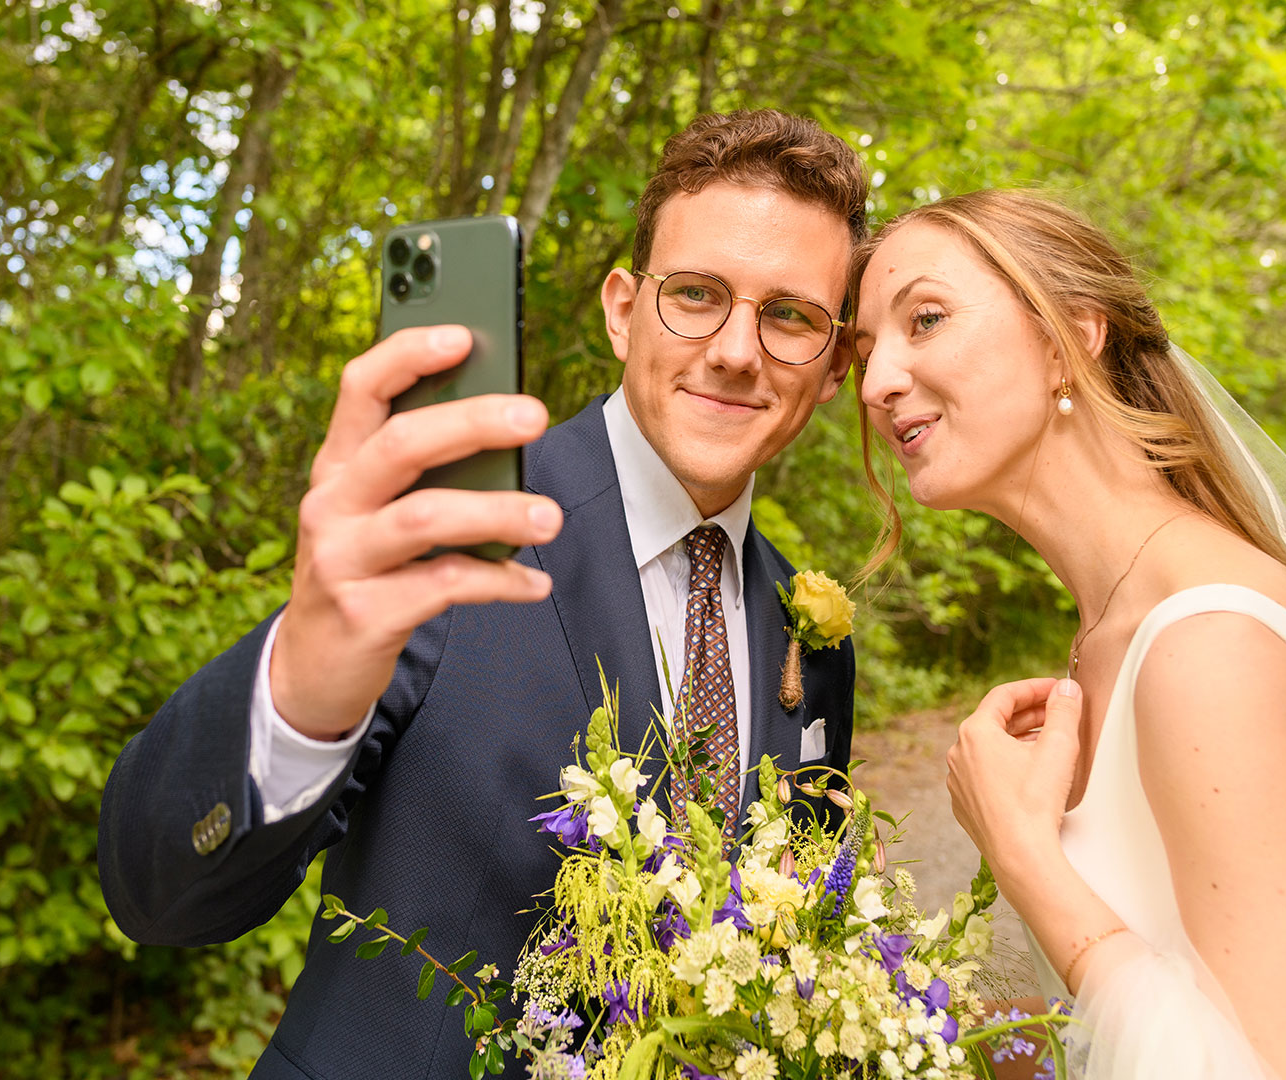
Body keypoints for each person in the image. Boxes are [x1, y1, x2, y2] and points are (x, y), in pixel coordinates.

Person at [97, 110, 863, 1080]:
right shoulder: (452, 524)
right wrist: (299, 688)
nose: (736, 349)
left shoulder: (816, 637)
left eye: (789, 315)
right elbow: (159, 891)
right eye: (698, 295)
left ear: (834, 364)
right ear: (623, 308)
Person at [850, 189, 1286, 1079]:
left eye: (927, 319)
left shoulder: (1212, 648)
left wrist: (1028, 862)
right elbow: (1165, 1007)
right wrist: (892, 1031)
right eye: (868, 352)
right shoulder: (1115, 626)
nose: (877, 384)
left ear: (1073, 335)